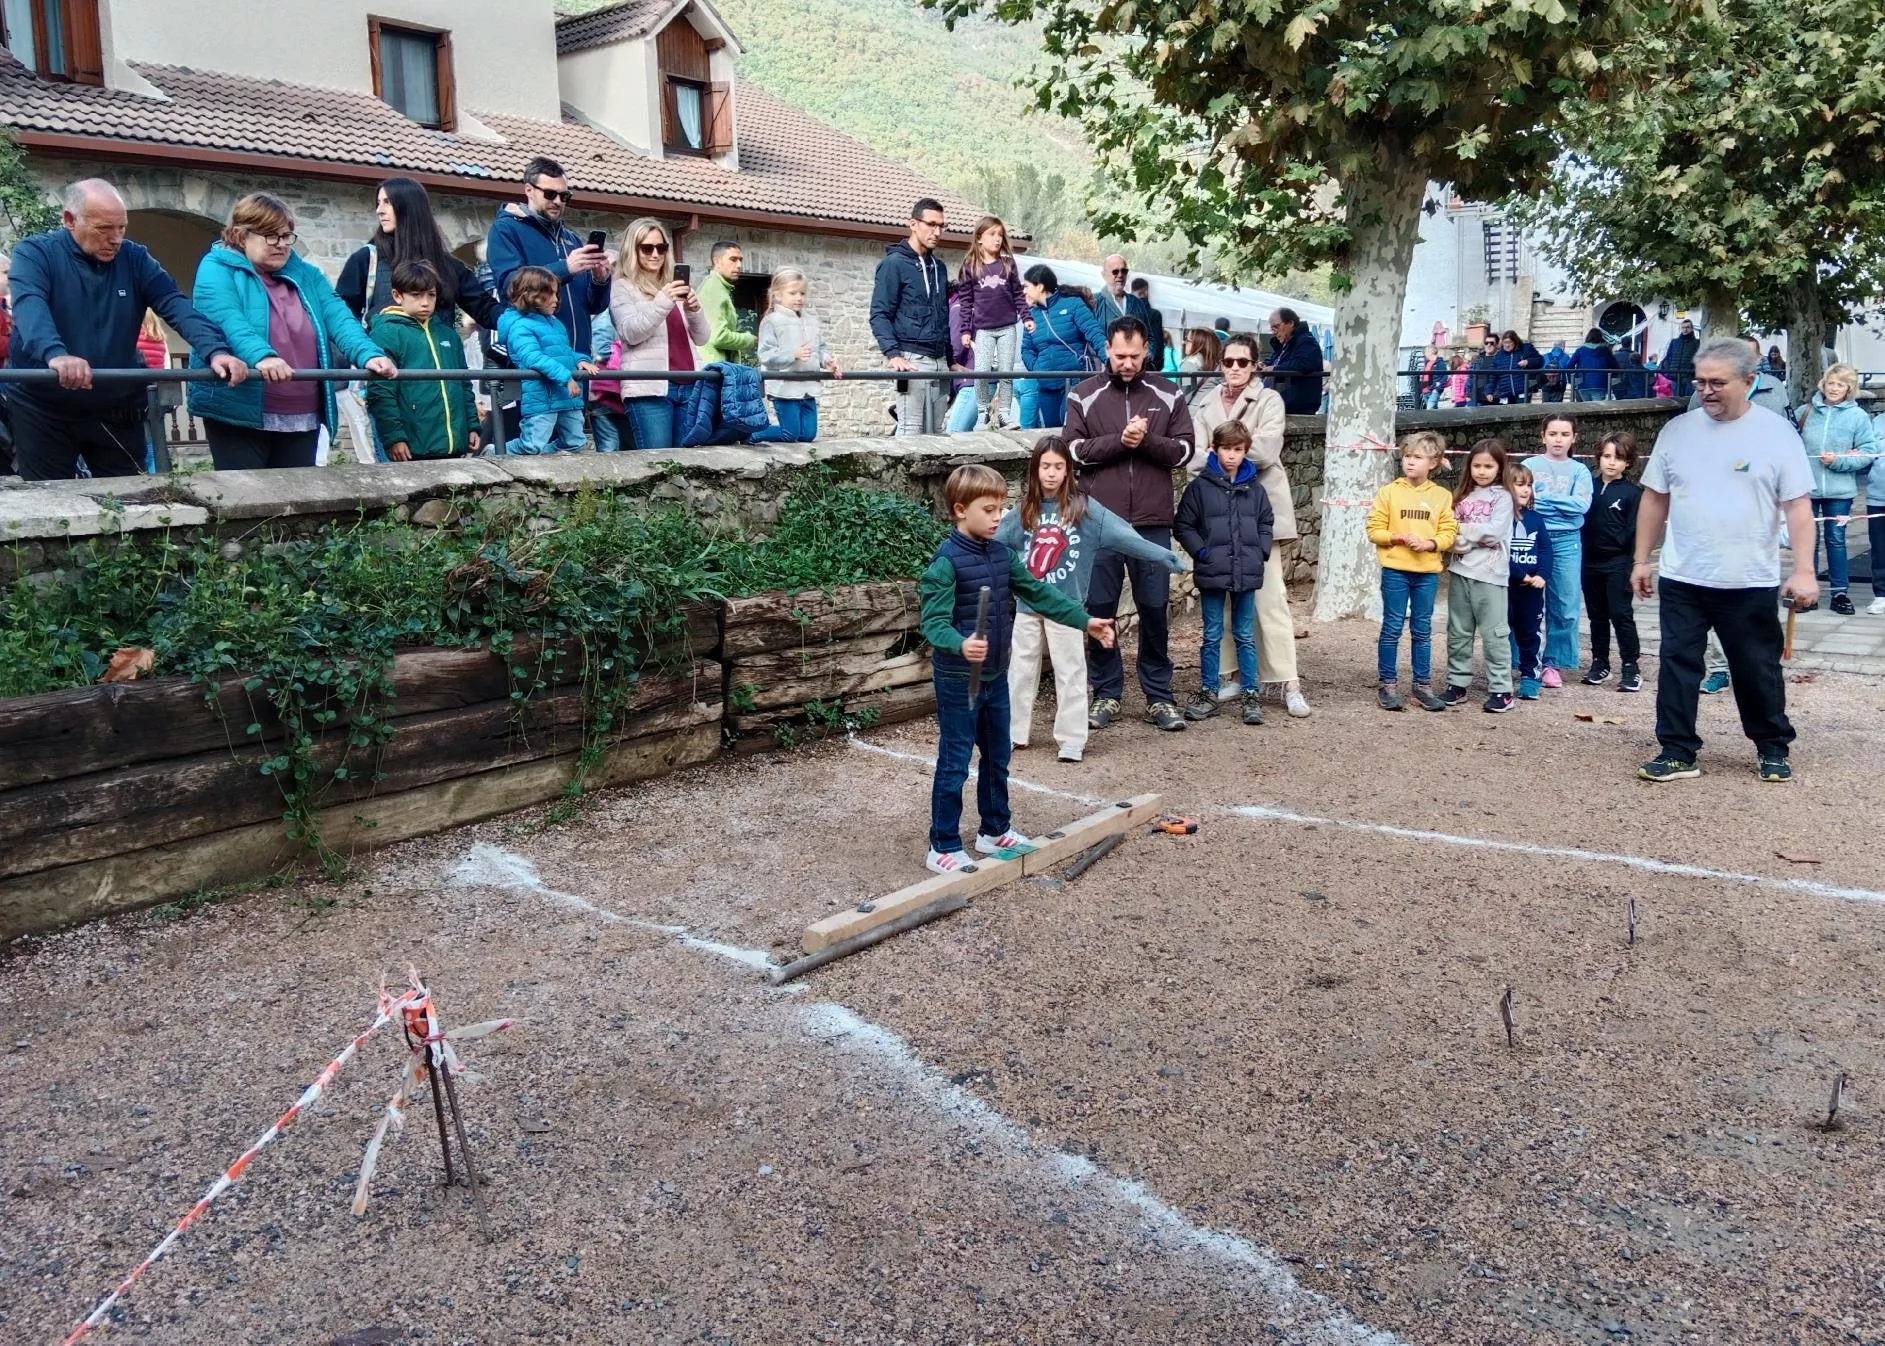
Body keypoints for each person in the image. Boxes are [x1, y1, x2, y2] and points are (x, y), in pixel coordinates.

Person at [1633, 337, 1818, 782]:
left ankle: (1772, 746)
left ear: (1749, 381)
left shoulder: (1776, 434)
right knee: (1678, 664)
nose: (1707, 391)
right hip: (1683, 575)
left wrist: (1805, 570)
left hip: (1748, 578)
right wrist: (1642, 559)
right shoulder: (1677, 431)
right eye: (1700, 382)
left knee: (1756, 667)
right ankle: (1676, 750)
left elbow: (1797, 506)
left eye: (1718, 382)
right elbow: (1655, 498)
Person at [919, 463, 1116, 874]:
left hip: (994, 676)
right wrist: (961, 643)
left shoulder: (1003, 556)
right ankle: (943, 844)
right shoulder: (945, 563)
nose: (999, 518)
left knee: (997, 756)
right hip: (959, 680)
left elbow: (1042, 594)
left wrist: (1086, 621)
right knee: (955, 761)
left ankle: (993, 830)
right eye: (989, 510)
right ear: (960, 509)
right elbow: (933, 624)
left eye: (1001, 509)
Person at [7, 179, 244, 479]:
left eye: (121, 228)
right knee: (50, 503)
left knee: (134, 499)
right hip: (43, 407)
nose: (116, 239)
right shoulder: (35, 254)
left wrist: (216, 350)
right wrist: (55, 354)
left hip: (115, 407)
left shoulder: (135, 258)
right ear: (69, 220)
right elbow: (30, 305)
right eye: (104, 229)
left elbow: (174, 303)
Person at [995, 435, 1183, 762]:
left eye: (1058, 466)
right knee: (1020, 671)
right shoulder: (1024, 510)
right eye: (1045, 466)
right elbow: (995, 546)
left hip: (1066, 609)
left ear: (1069, 470)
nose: (1051, 473)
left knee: (1070, 671)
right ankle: (1012, 732)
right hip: (1027, 607)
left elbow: (1124, 535)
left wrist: (1162, 555)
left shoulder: (1084, 510)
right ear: (1035, 470)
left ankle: (1071, 739)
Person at [189, 192, 390, 470]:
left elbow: (337, 315)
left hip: (301, 412)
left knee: (297, 501)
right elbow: (227, 319)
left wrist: (367, 353)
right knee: (247, 499)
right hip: (238, 410)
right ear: (241, 234)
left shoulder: (306, 273)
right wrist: (262, 356)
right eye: (271, 236)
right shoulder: (216, 267)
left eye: (286, 236)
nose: (282, 244)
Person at [1066, 315, 1196, 732]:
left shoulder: (1169, 393)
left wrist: (1148, 442)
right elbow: (1073, 451)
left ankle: (1159, 696)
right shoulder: (1083, 395)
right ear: (1107, 349)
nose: (1127, 363)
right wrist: (1120, 442)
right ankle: (1106, 693)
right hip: (1098, 522)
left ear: (1146, 351)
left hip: (1153, 521)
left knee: (1155, 608)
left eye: (1135, 356)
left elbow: (1184, 451)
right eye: (1120, 355)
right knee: (1099, 609)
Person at [1191, 333, 1312, 717]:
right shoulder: (1206, 401)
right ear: (1221, 364)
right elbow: (1195, 455)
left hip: (1258, 511)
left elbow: (1265, 450)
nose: (1236, 369)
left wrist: (1222, 450)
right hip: (1216, 513)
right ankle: (1234, 676)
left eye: (1244, 362)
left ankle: (1288, 681)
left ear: (1255, 365)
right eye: (1229, 362)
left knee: (1270, 598)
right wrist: (1236, 448)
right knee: (1223, 598)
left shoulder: (1269, 399)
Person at [1175, 420, 1274, 725]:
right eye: (1226, 449)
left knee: (1245, 634)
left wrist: (1260, 552)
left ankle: (1250, 694)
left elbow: (1266, 522)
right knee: (1212, 634)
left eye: (1238, 449)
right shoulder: (1200, 488)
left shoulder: (1255, 490)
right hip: (1212, 570)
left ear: (1245, 451)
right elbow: (1183, 525)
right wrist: (1202, 552)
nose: (1231, 455)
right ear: (1214, 449)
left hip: (1246, 570)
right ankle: (1208, 691)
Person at [486, 157, 611, 366]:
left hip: (579, 360)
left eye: (564, 196)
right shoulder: (505, 230)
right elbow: (510, 287)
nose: (558, 201)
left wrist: (600, 280)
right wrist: (565, 268)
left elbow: (594, 306)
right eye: (550, 194)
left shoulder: (572, 240)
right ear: (529, 190)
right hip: (537, 362)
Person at [336, 178, 501, 331]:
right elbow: (340, 318)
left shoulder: (447, 265)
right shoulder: (366, 259)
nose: (379, 210)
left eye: (387, 202)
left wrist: (518, 322)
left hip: (439, 359)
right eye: (378, 203)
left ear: (409, 207)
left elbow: (485, 310)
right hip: (387, 360)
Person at [1369, 430, 1458, 711]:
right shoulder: (1389, 492)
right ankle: (1387, 684)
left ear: (1433, 463)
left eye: (1417, 457)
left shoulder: (1442, 497)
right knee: (1392, 626)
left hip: (1427, 573)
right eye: (1407, 456)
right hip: (1395, 570)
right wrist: (1397, 538)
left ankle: (1422, 685)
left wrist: (1430, 543)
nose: (1410, 462)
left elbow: (1449, 533)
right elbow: (1374, 529)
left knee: (1422, 629)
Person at [607, 217, 708, 451]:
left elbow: (702, 338)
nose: (655, 254)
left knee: (689, 464)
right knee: (658, 463)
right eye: (647, 248)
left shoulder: (676, 285)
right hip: (648, 387)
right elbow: (631, 332)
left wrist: (694, 310)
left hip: (690, 383)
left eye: (661, 248)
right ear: (633, 251)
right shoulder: (622, 287)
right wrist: (663, 300)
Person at [364, 260, 480, 461]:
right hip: (412, 445)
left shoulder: (449, 335)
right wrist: (394, 437)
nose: (425, 302)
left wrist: (471, 425)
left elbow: (464, 384)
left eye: (431, 295)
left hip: (454, 444)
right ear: (397, 296)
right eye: (416, 295)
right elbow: (381, 391)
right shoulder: (386, 333)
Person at [1795, 361, 1876, 616]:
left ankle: (1839, 593)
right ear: (1824, 384)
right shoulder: (1804, 411)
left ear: (1849, 388)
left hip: (1840, 492)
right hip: (1806, 488)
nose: (1834, 388)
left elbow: (1869, 452)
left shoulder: (1858, 417)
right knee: (1807, 541)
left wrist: (1840, 461)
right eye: (1831, 383)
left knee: (1836, 540)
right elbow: (1788, 446)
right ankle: (1807, 592)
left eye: (1840, 384)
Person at [1443, 438, 1516, 713]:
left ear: (1499, 468)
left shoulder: (1503, 497)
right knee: (1458, 631)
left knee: (1494, 633)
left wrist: (1465, 533)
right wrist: (1466, 536)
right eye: (1477, 465)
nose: (1482, 471)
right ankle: (1457, 682)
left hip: (1491, 574)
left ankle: (1501, 688)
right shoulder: (1460, 496)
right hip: (1460, 570)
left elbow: (1494, 532)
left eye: (1489, 466)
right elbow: (1450, 534)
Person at [869, 199, 953, 437]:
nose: (937, 232)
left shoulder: (940, 267)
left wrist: (951, 358)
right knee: (911, 433)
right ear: (913, 224)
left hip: (940, 362)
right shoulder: (893, 264)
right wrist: (893, 353)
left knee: (937, 434)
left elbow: (942, 315)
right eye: (931, 224)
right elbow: (879, 313)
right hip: (912, 359)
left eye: (941, 226)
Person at [1522, 414, 1594, 687]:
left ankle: (1555, 663)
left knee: (1565, 603)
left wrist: (1544, 499)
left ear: (1574, 438)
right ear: (1543, 436)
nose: (1558, 439)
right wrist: (1561, 503)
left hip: (1567, 540)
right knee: (1527, 601)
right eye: (1553, 433)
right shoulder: (1529, 465)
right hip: (1532, 536)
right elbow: (1525, 500)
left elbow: (1581, 507)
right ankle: (1526, 658)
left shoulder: (1579, 471)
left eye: (1565, 434)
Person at [497, 266, 595, 454]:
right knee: (532, 446)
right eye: (550, 294)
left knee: (575, 443)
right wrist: (566, 377)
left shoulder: (555, 323)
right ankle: (496, 453)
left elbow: (563, 352)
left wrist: (580, 360)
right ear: (531, 295)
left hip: (567, 397)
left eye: (557, 294)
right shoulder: (520, 327)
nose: (556, 300)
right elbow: (532, 357)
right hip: (543, 397)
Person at [1580, 431, 1644, 690]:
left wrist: (1635, 563)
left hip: (1618, 562)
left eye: (1618, 458)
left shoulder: (1632, 493)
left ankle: (1631, 665)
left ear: (1627, 462)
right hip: (1588, 561)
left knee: (1621, 613)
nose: (1611, 462)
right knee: (1597, 615)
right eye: (1606, 456)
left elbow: (1635, 531)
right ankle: (1600, 662)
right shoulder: (1587, 487)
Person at [956, 215, 1030, 429]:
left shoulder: (1007, 264)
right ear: (979, 238)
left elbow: (1018, 294)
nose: (997, 239)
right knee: (982, 371)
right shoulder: (971, 266)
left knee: (1006, 372)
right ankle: (982, 412)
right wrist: (965, 330)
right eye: (992, 234)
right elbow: (966, 301)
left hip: (1007, 327)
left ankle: (1005, 414)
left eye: (1000, 234)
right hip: (984, 329)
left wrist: (1026, 317)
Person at [756, 267, 839, 442]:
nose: (799, 298)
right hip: (784, 387)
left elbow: (820, 348)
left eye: (802, 293)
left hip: (808, 386)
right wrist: (792, 354)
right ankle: (751, 434)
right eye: (792, 293)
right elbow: (766, 356)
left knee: (808, 435)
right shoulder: (771, 321)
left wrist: (828, 362)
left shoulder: (811, 321)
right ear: (778, 294)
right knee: (790, 434)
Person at [1017, 264, 1105, 430]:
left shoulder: (1073, 305)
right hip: (1046, 385)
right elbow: (1026, 350)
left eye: (1026, 286)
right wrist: (1037, 368)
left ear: (1040, 286)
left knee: (1070, 428)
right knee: (1052, 432)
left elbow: (1095, 334)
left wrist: (1112, 360)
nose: (1024, 291)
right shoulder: (1031, 315)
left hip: (1074, 382)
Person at [1507, 465, 1553, 699]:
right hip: (1505, 588)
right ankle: (1501, 676)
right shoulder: (1502, 519)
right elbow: (1499, 553)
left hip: (1532, 590)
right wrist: (1520, 575)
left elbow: (1545, 550)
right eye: (1519, 484)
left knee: (1530, 634)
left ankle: (1530, 676)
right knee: (1501, 633)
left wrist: (1542, 576)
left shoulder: (1536, 519)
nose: (1526, 490)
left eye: (1528, 485)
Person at [697, 240, 756, 367]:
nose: (739, 265)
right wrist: (749, 339)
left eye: (740, 260)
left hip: (717, 367)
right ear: (717, 261)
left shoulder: (719, 287)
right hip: (714, 369)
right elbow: (718, 336)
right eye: (733, 260)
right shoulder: (713, 289)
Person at [1262, 307, 1324, 415]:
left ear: (1290, 323)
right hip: (1281, 404)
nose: (1274, 332)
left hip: (1297, 405)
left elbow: (1304, 363)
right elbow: (1274, 359)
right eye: (1272, 329)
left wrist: (1275, 368)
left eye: (1276, 327)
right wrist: (1265, 364)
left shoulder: (1305, 341)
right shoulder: (1284, 344)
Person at [1569, 328, 1618, 401]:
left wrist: (1572, 380)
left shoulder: (1580, 350)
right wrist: (1609, 377)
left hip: (1583, 384)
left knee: (1585, 409)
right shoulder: (1605, 351)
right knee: (1597, 408)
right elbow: (1615, 366)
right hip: (1601, 383)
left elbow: (1569, 365)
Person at [1129, 276, 1166, 366]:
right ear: (1146, 291)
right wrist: (1157, 363)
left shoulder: (1125, 312)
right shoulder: (1154, 315)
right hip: (1148, 364)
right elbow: (1157, 342)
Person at [1662, 317, 1700, 400]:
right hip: (1675, 377)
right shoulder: (1674, 342)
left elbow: (1699, 359)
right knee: (1676, 401)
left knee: (1688, 401)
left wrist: (1693, 372)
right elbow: (1668, 357)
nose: (1685, 330)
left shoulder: (1696, 343)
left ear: (1692, 329)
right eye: (1683, 327)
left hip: (1689, 378)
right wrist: (1669, 370)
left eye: (1687, 327)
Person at [1093, 254, 1130, 327]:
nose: (1120, 275)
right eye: (1115, 271)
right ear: (1104, 275)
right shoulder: (1093, 302)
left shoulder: (1137, 303)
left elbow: (1149, 335)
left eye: (1124, 271)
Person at [1467, 333, 1499, 406]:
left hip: (1493, 398)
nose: (1488, 345)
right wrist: (1468, 394)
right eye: (1486, 343)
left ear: (1497, 344)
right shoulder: (1477, 359)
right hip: (1475, 398)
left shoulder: (1500, 359)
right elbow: (1470, 377)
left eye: (1492, 343)